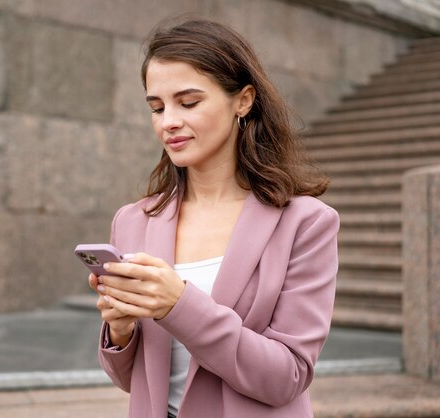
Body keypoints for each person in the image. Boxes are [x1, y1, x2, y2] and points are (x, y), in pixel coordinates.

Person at [88, 17, 339, 418]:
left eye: (188, 102)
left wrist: (179, 305)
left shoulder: (305, 223)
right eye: (157, 107)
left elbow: (287, 377)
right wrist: (121, 331)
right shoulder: (133, 220)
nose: (168, 121)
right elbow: (132, 380)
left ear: (243, 100)